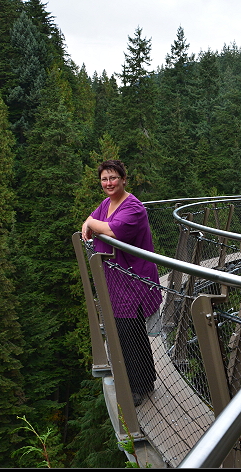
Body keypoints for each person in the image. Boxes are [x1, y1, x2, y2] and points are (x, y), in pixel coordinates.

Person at [81, 160, 162, 406]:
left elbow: (113, 231)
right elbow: (99, 220)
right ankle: (145, 380)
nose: (109, 183)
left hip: (133, 280)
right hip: (118, 280)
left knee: (129, 334)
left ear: (124, 179)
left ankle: (137, 388)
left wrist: (89, 223)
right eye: (104, 179)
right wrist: (92, 222)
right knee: (131, 333)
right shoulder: (107, 203)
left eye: (113, 178)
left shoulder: (133, 207)